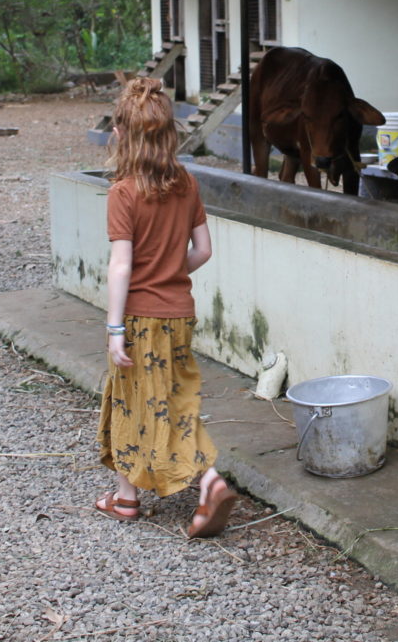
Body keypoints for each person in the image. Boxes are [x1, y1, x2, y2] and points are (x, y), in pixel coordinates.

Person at [94, 77, 239, 538]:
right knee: (169, 398)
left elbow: (121, 266)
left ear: (122, 134)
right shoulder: (187, 183)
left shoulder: (124, 192)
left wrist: (116, 328)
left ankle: (206, 481)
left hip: (139, 318)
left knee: (135, 401)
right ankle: (128, 496)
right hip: (179, 313)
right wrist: (172, 273)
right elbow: (203, 251)